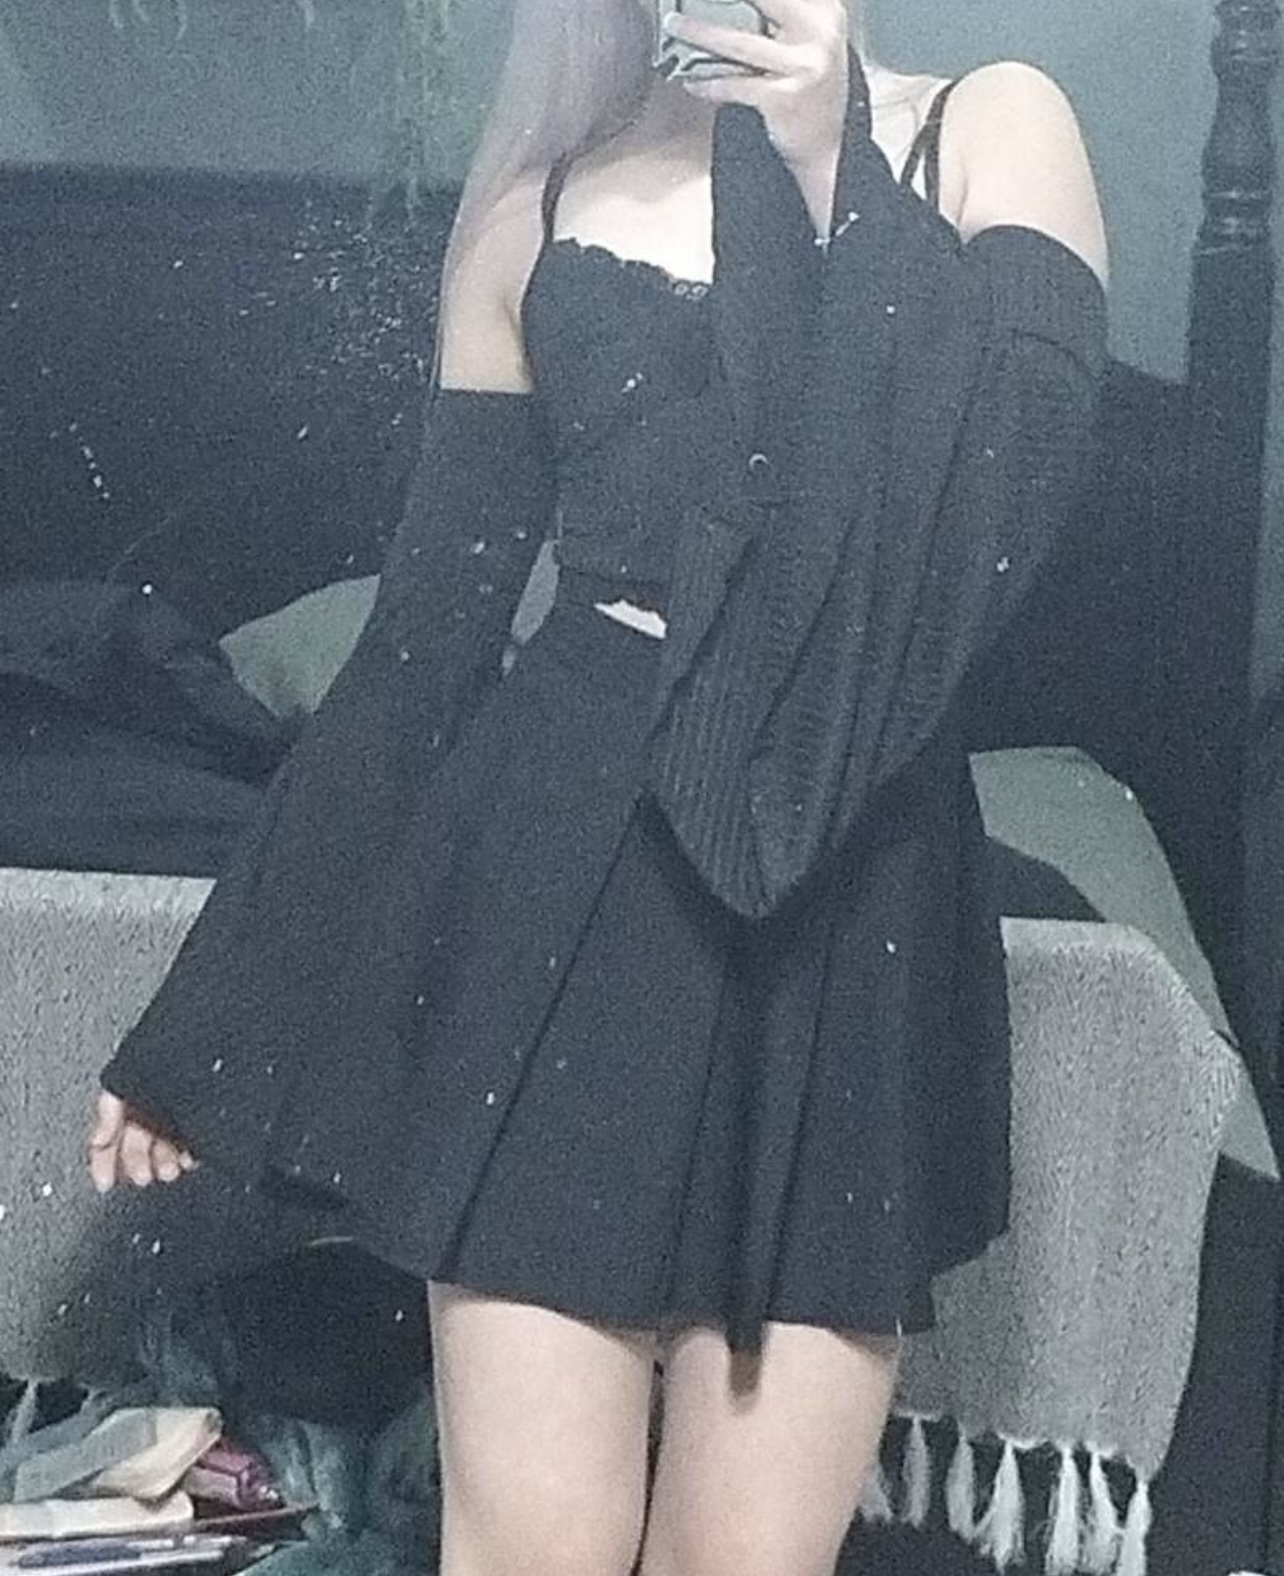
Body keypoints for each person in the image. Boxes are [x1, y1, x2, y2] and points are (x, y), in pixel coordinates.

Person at [87, 1, 1108, 1573]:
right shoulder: (540, 201)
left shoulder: (991, 129)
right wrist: (211, 1013)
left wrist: (829, 165)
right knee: (527, 1551)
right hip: (556, 882)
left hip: (842, 892)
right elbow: (422, 651)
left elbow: (996, 519)